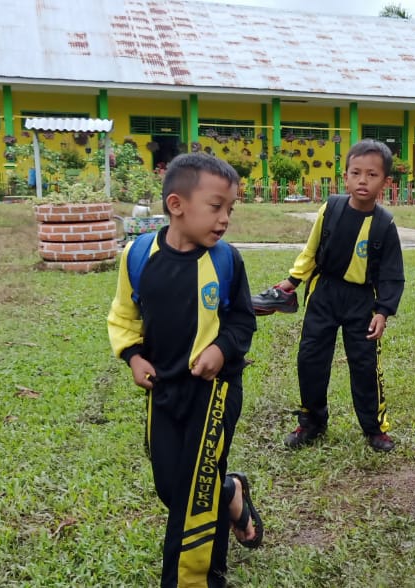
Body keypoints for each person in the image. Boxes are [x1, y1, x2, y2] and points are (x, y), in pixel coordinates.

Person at [107, 153, 263, 588]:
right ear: (177, 205)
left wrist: (220, 349)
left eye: (230, 209)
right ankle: (230, 492)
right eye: (216, 207)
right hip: (164, 390)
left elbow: (243, 321)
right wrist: (134, 357)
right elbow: (124, 315)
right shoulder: (139, 257)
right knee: (171, 487)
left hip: (214, 391)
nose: (225, 219)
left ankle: (197, 579)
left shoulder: (226, 261)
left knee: (195, 493)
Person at [263, 139, 406, 452]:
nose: (363, 181)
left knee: (365, 366)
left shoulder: (384, 224)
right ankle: (311, 422)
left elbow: (392, 273)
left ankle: (374, 428)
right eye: (356, 173)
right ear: (346, 176)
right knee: (310, 359)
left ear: (385, 181)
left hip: (362, 302)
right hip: (324, 294)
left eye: (372, 174)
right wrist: (292, 281)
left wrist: (382, 311)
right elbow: (311, 251)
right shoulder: (331, 208)